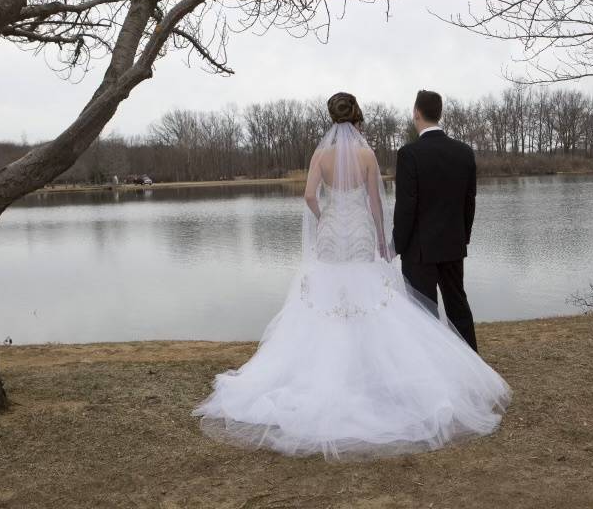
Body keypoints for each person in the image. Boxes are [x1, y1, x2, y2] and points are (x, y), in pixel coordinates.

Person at [192, 92, 510, 461]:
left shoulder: (320, 156)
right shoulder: (366, 155)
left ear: (331, 117)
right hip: (359, 234)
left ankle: (328, 375)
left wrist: (325, 214)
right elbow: (377, 203)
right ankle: (388, 374)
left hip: (330, 238)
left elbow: (310, 196)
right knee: (371, 303)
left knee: (325, 303)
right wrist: (379, 236)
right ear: (356, 116)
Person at [393, 90, 479, 350]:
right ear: (439, 113)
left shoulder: (409, 154)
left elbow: (406, 206)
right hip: (453, 245)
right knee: (458, 307)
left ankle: (432, 370)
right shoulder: (464, 152)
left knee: (422, 313)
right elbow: (469, 202)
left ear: (416, 113)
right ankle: (470, 363)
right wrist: (462, 237)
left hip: (419, 251)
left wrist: (398, 244)